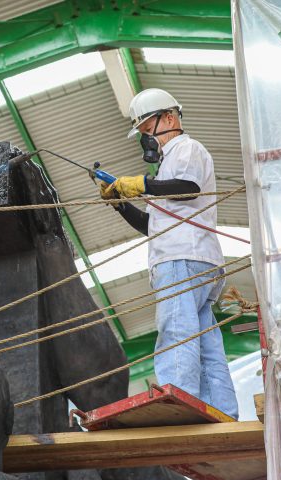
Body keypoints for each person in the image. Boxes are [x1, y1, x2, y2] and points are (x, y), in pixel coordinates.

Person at [100, 88, 238, 419]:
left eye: (149, 130)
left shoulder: (186, 149)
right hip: (198, 260)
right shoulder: (167, 167)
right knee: (205, 342)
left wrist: (142, 185)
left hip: (181, 259)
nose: (147, 140)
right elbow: (154, 225)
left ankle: (178, 399)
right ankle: (222, 410)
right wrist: (120, 202)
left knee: (176, 329)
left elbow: (188, 188)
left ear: (171, 118)